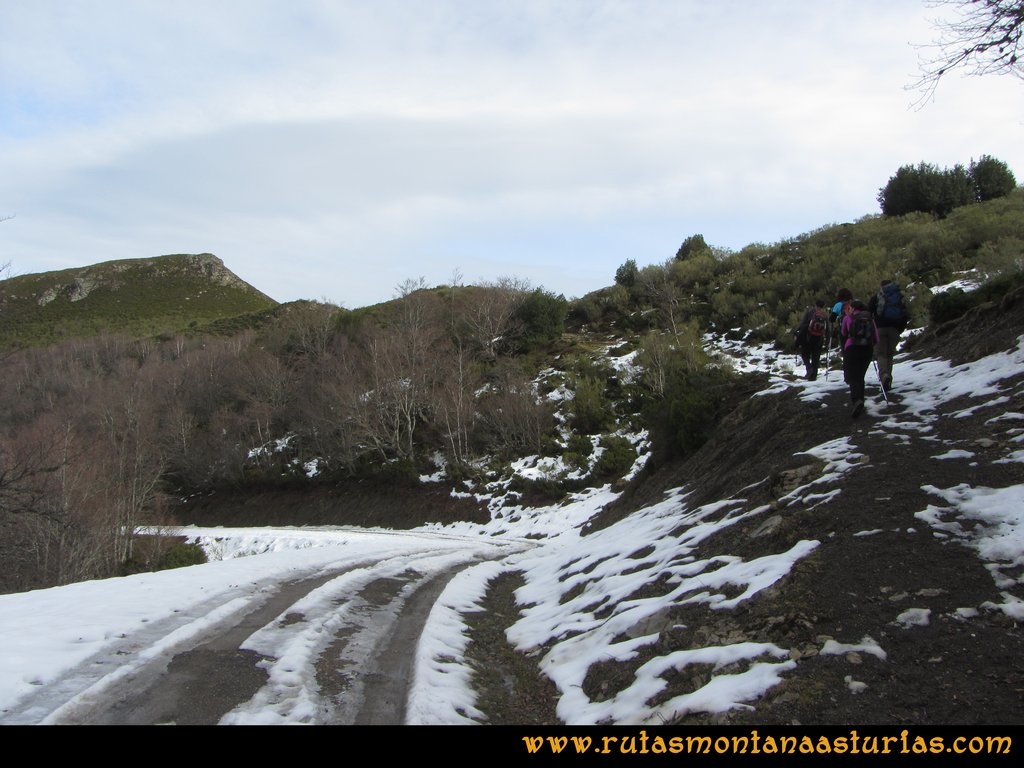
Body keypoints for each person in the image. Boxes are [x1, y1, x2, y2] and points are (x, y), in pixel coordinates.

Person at [867, 279, 908, 393]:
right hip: (894, 329)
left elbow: (868, 314)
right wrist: (899, 329)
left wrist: (870, 330)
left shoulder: (876, 298)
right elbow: (905, 314)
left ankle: (884, 375)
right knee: (889, 354)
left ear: (881, 286)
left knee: (881, 354)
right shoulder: (899, 296)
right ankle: (888, 378)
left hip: (879, 328)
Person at [840, 298, 879, 418]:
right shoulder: (870, 319)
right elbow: (876, 337)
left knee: (853, 376)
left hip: (852, 348)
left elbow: (843, 333)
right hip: (867, 349)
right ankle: (860, 400)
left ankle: (857, 400)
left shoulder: (848, 318)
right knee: (861, 375)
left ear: (853, 308)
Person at [794, 299, 827, 380]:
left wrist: (796, 332)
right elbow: (827, 328)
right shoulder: (824, 315)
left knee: (805, 355)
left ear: (815, 305)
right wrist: (828, 339)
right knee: (816, 357)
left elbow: (803, 323)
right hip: (819, 339)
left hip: (808, 337)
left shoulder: (810, 312)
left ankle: (809, 369)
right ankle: (813, 376)